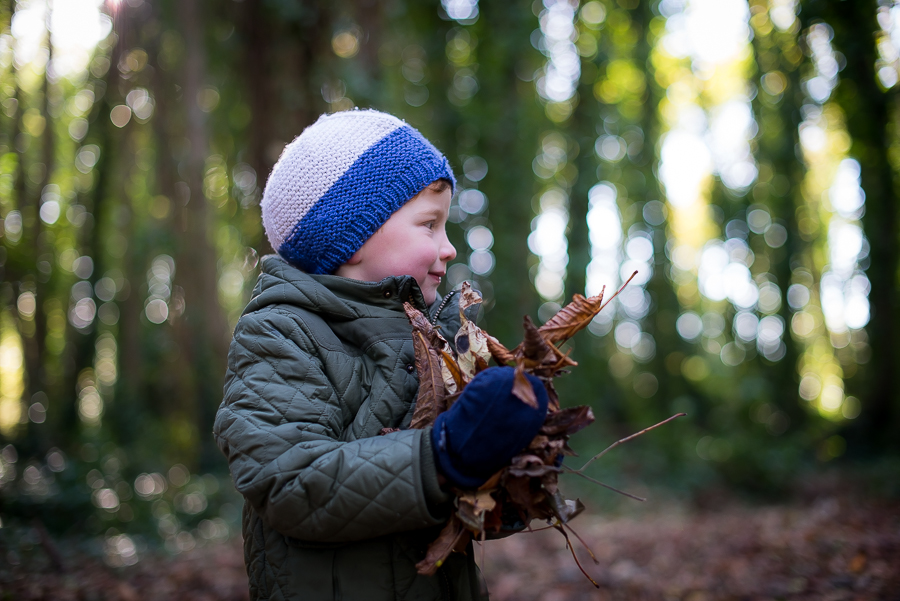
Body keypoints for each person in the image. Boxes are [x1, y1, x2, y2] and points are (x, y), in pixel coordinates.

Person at [213, 109, 549, 601]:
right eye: (429, 225)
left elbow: (452, 507)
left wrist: (504, 475)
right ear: (351, 236)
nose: (449, 247)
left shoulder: (439, 336)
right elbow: (289, 480)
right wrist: (441, 458)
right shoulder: (281, 333)